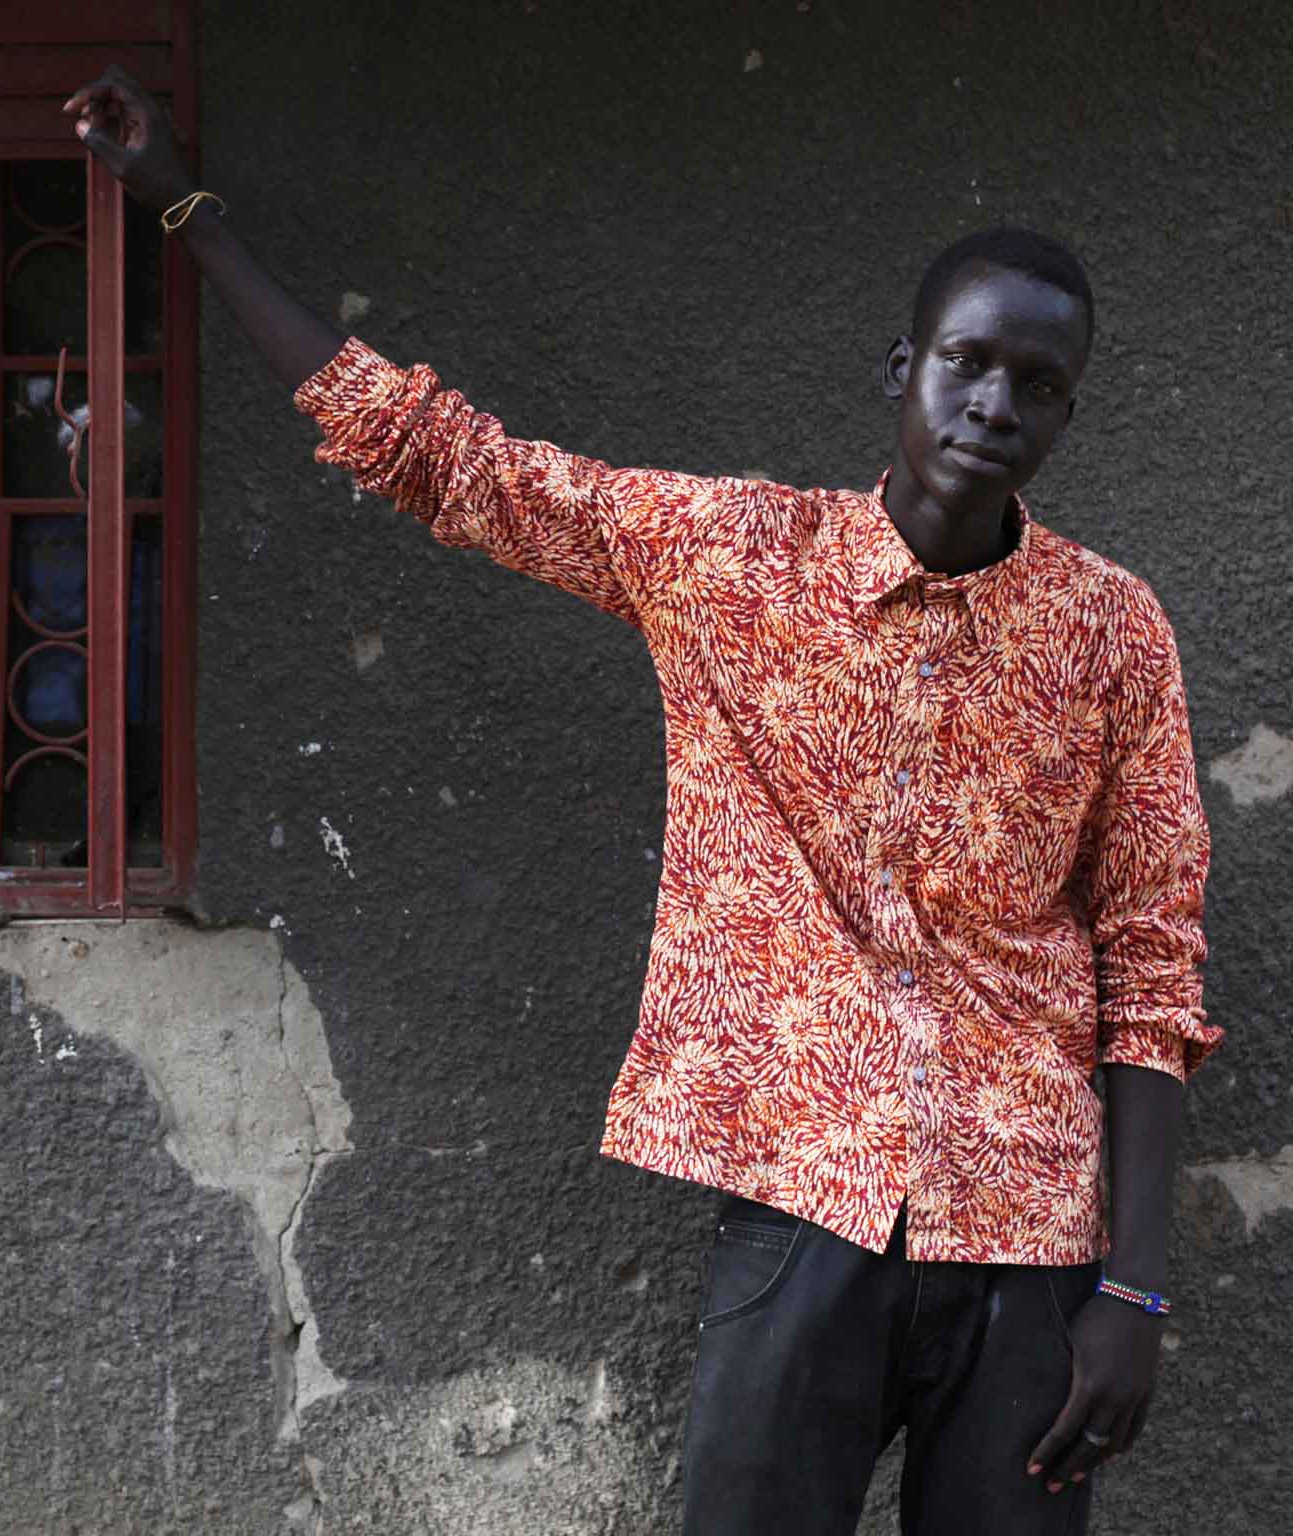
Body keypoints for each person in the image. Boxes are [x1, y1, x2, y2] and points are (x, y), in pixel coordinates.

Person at [66, 67, 1215, 1536]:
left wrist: (1132, 1286)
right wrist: (190, 214)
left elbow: (1152, 964)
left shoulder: (1115, 633)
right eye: (967, 363)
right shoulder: (732, 561)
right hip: (806, 1208)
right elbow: (447, 463)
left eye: (1037, 385)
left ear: (1068, 411)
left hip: (1038, 1241)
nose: (997, 405)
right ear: (903, 367)